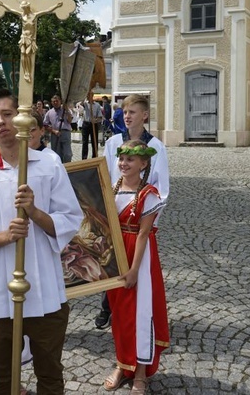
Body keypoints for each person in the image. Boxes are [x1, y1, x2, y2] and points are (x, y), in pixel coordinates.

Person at [0, 88, 83, 395]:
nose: (1, 122)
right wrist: (5, 236)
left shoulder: (48, 165)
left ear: (21, 118)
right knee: (1, 378)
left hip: (45, 288)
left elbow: (70, 218)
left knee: (50, 375)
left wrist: (35, 212)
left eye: (7, 114)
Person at [95, 94, 170, 329]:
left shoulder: (156, 147)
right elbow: (105, 176)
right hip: (115, 209)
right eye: (125, 112)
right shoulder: (113, 142)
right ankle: (108, 307)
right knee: (112, 261)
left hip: (139, 213)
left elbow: (162, 186)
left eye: (132, 112)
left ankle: (140, 311)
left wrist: (148, 216)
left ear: (145, 115)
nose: (127, 116)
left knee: (136, 263)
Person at [102, 140, 169, 394]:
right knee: (119, 313)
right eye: (121, 158)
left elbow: (143, 235)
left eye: (130, 160)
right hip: (116, 256)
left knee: (141, 314)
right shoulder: (112, 190)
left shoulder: (149, 194)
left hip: (138, 259)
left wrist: (133, 270)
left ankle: (140, 373)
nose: (123, 163)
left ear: (143, 164)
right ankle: (122, 364)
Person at [43, 95, 73, 163]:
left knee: (67, 154)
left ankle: (68, 168)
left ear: (60, 101)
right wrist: (53, 131)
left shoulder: (65, 110)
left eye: (57, 101)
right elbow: (45, 125)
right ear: (51, 102)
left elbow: (70, 121)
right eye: (54, 101)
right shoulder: (49, 112)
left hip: (65, 133)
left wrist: (67, 110)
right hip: (55, 135)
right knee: (56, 154)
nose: (55, 102)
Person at [80, 91, 103, 160]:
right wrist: (85, 94)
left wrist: (95, 120)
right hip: (86, 124)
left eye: (89, 95)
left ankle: (95, 157)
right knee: (85, 142)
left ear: (92, 95)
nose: (88, 96)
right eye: (87, 95)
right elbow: (81, 103)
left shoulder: (97, 105)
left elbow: (100, 117)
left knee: (94, 141)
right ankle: (84, 158)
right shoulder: (85, 104)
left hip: (93, 125)